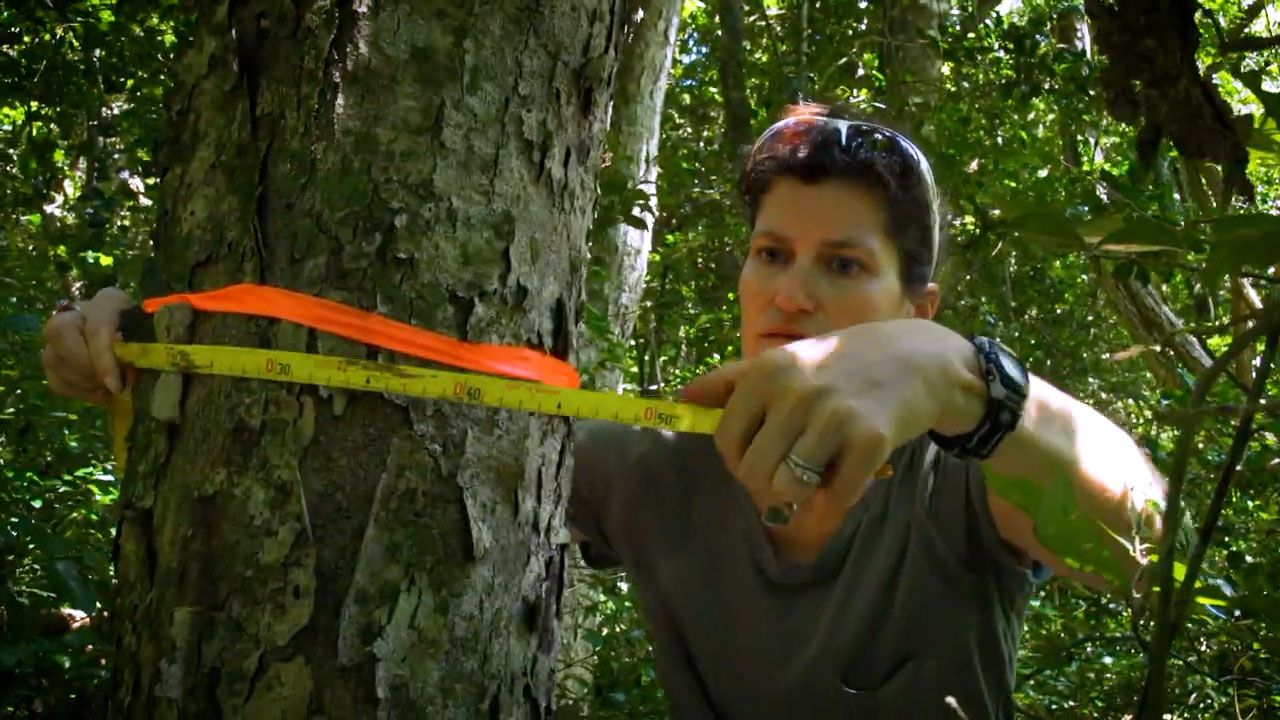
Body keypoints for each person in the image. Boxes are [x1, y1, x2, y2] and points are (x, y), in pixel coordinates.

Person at [42, 103, 1166, 719]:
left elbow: (1136, 542)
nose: (788, 292)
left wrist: (965, 381)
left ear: (912, 304)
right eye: (770, 253)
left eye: (841, 266)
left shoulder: (961, 479)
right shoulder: (661, 466)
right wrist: (153, 335)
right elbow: (395, 411)